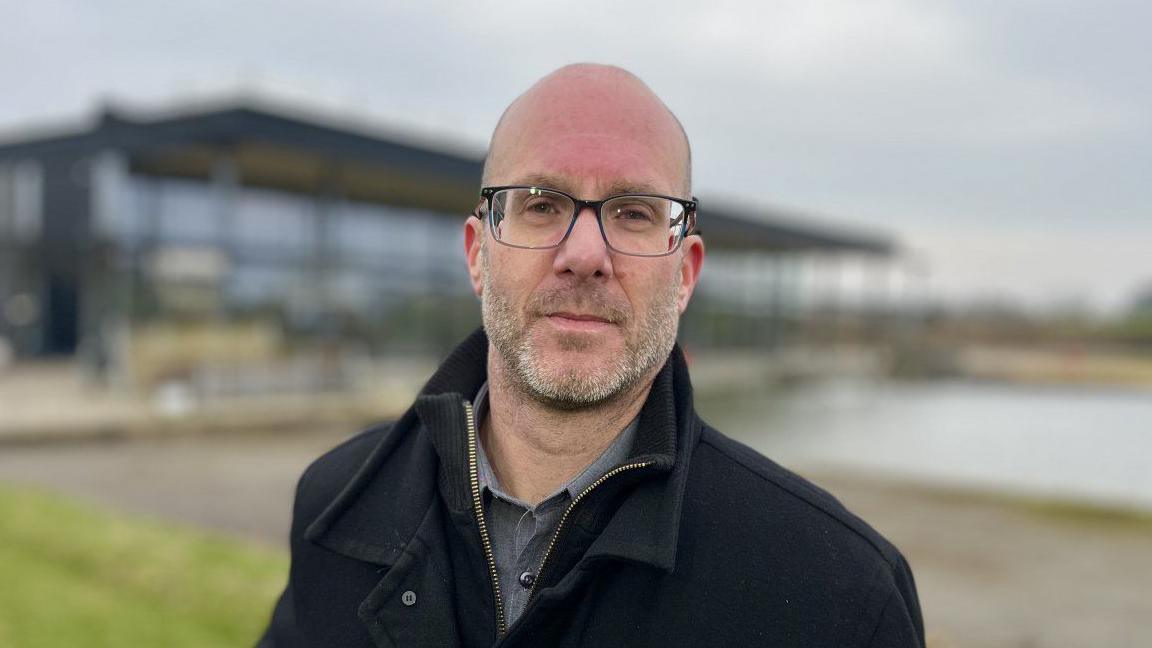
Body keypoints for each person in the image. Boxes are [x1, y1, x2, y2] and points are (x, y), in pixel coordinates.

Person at [259, 63, 924, 647]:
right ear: (477, 256)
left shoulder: (838, 599)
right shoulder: (337, 506)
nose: (584, 256)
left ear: (685, 273)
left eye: (634, 212)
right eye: (542, 205)